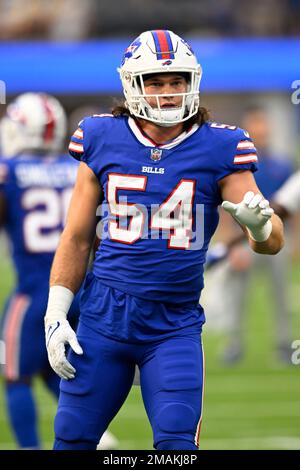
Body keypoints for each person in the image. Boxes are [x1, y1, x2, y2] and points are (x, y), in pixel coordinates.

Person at [44, 30, 284, 451]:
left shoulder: (221, 145)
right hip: (102, 318)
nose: (169, 92)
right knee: (72, 438)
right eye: (156, 82)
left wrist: (261, 228)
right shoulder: (101, 137)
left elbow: (272, 241)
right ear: (132, 84)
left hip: (173, 325)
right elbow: (77, 237)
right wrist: (57, 314)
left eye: (177, 81)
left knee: (176, 444)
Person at [0, 93, 117, 450]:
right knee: (60, 364)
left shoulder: (10, 172)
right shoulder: (79, 168)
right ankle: (96, 435)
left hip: (36, 289)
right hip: (83, 288)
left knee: (15, 375)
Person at [207, 107, 293, 364]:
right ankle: (234, 344)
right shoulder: (235, 163)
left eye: (263, 128)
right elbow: (223, 207)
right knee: (237, 295)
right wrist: (227, 243)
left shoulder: (282, 164)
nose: (260, 133)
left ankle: (284, 345)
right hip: (241, 239)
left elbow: (291, 207)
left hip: (277, 237)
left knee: (280, 294)